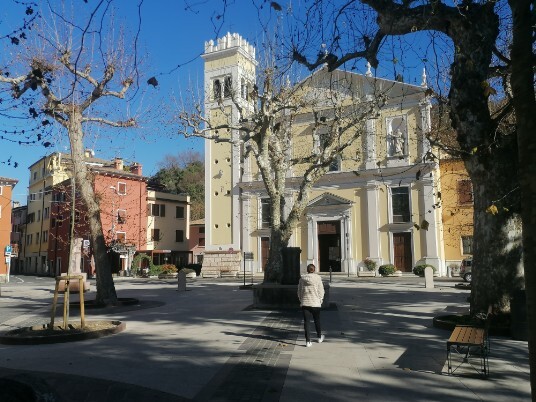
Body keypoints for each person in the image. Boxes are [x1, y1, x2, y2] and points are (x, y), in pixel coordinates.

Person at [297, 263, 325, 347]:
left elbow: (299, 291)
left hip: (305, 303)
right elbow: (321, 291)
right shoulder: (318, 278)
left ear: (307, 270)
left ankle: (308, 341)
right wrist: (320, 300)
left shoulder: (302, 279)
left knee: (306, 322)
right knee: (317, 320)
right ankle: (319, 337)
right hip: (315, 303)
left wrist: (301, 299)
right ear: (314, 270)